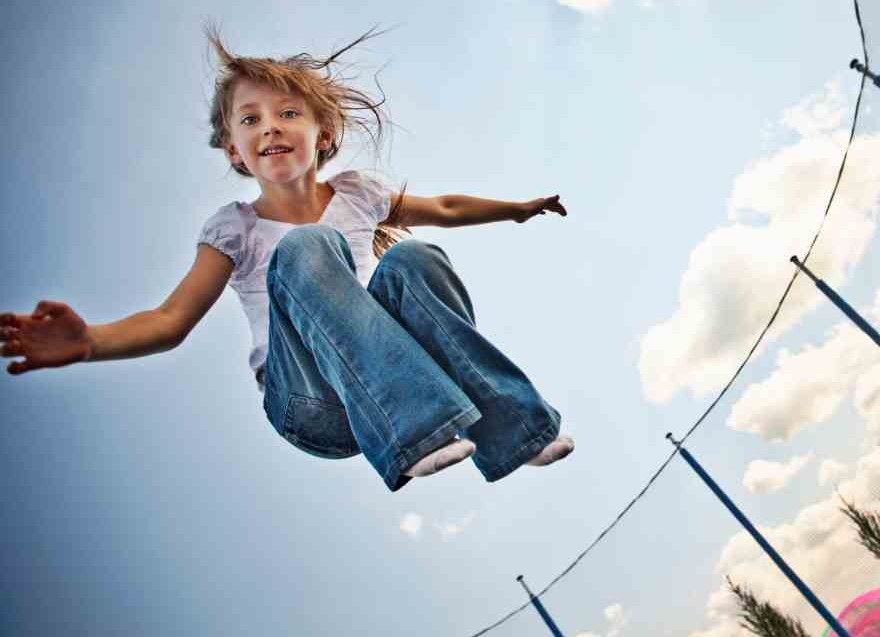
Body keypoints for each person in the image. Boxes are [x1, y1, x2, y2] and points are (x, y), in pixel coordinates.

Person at [0, 27, 573, 492]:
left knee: (413, 258)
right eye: (250, 120)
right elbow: (169, 321)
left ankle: (514, 430)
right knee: (307, 248)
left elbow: (443, 206)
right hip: (311, 401)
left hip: (395, 374)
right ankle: (414, 433)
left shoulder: (358, 194)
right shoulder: (236, 229)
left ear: (322, 135)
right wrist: (89, 342)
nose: (269, 126)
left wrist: (516, 209)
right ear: (234, 150)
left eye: (287, 114)